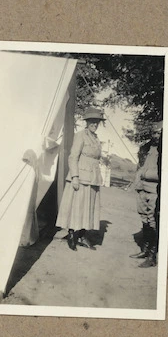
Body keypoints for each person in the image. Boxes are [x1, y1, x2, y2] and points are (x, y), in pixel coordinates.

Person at [56, 107, 105, 251]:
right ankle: (72, 235)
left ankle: (83, 235)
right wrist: (75, 177)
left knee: (89, 208)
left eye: (97, 122)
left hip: (93, 178)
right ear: (87, 122)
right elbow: (73, 157)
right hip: (81, 177)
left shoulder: (96, 139)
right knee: (77, 207)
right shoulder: (80, 136)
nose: (94, 124)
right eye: (92, 121)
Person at [130, 121, 163, 268]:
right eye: (154, 133)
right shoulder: (146, 148)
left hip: (154, 189)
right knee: (144, 218)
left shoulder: (166, 150)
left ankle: (152, 256)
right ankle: (145, 250)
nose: (156, 136)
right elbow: (140, 167)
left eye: (159, 133)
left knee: (153, 220)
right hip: (142, 188)